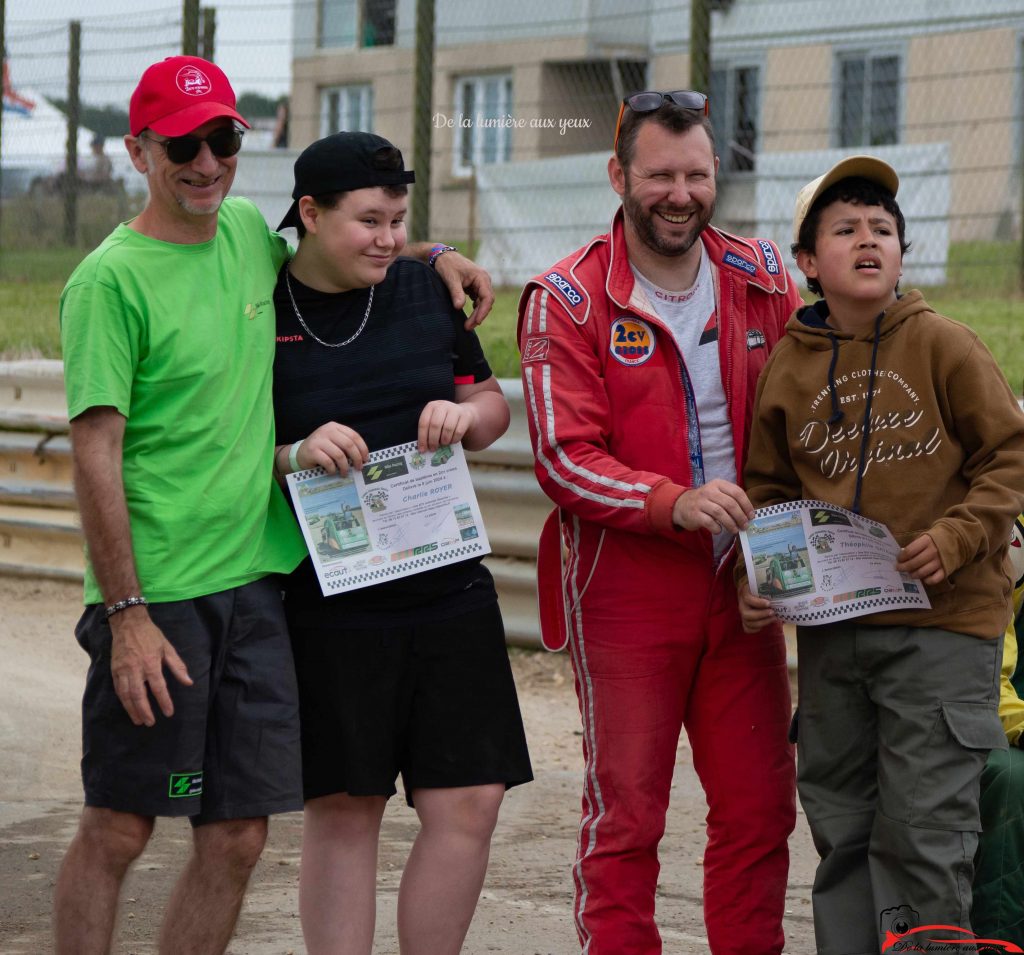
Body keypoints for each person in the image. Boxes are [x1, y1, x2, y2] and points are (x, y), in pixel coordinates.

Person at [54, 55, 496, 955]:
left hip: (261, 583)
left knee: (238, 836)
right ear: (139, 150)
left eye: (224, 139)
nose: (208, 161)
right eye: (184, 144)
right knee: (120, 827)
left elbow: (345, 239)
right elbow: (93, 454)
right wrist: (126, 609)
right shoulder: (109, 281)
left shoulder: (248, 235)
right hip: (160, 592)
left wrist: (434, 254)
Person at [517, 90, 800, 955]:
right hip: (625, 591)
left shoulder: (762, 274)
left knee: (759, 809)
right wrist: (669, 502)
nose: (680, 194)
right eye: (660, 176)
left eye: (697, 174)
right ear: (618, 176)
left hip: (740, 588)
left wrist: (780, 564)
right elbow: (563, 457)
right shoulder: (564, 296)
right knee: (628, 814)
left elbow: (802, 431)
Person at [738, 155, 1024, 953]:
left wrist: (960, 536)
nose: (869, 239)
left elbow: (1009, 456)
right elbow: (767, 491)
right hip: (835, 634)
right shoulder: (787, 369)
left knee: (927, 833)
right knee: (843, 823)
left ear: (902, 251)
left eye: (883, 228)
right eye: (846, 228)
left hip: (942, 628)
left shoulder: (944, 344)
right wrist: (760, 577)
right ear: (807, 262)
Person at [270, 131, 533, 955]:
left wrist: (465, 418)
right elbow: (212, 439)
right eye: (368, 221)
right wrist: (295, 452)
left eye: (398, 220)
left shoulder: (423, 287)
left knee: (471, 799)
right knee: (348, 808)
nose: (387, 238)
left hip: (446, 583)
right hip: (332, 598)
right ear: (309, 215)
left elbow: (491, 404)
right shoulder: (259, 301)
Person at [972, 520, 1024, 947]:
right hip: (1003, 718)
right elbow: (992, 667)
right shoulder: (1011, 538)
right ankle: (999, 939)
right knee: (1010, 777)